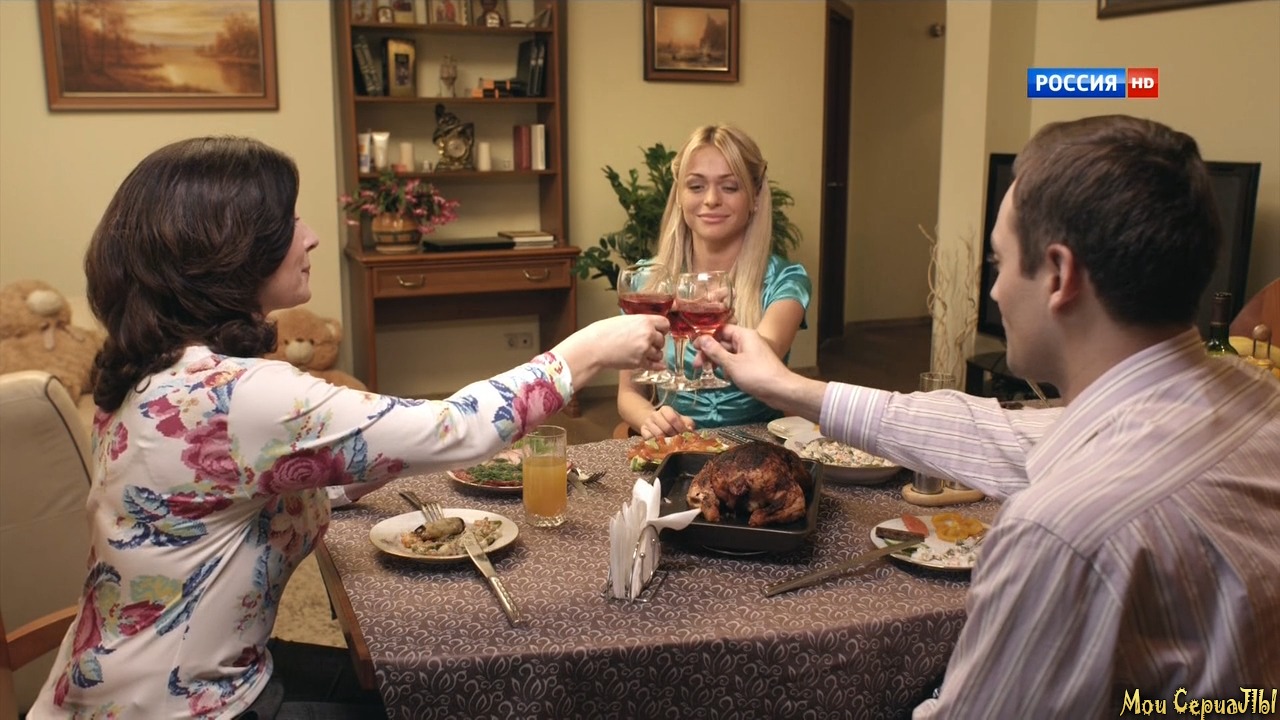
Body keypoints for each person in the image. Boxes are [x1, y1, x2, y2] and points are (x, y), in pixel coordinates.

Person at [28, 136, 668, 719]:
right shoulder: (237, 396)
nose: (309, 237)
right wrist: (591, 348)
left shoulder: (153, 367)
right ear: (230, 251)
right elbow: (458, 427)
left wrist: (366, 462)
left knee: (410, 685)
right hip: (186, 708)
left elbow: (234, 492)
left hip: (125, 686)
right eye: (288, 222)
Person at [697, 115, 1280, 717]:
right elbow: (997, 432)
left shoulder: (1060, 534)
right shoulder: (1254, 396)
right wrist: (789, 388)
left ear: (1060, 276)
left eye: (999, 263)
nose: (995, 292)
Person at [616, 124, 811, 439]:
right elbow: (628, 393)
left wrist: (732, 333)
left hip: (758, 449)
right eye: (696, 186)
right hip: (677, 447)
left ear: (755, 197)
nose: (711, 200)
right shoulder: (647, 283)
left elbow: (770, 351)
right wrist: (651, 419)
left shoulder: (786, 280)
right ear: (679, 196)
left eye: (730, 187)